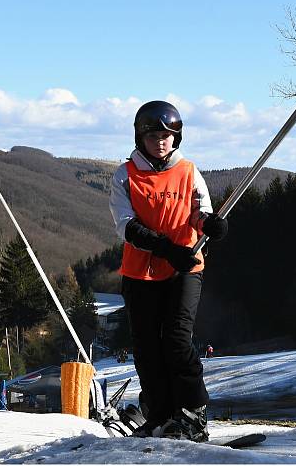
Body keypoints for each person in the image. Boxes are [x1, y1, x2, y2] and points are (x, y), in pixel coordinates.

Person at [109, 101, 229, 442]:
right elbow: (125, 226)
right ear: (140, 136)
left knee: (176, 341)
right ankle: (159, 413)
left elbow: (198, 211)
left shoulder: (189, 171)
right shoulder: (125, 175)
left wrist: (210, 224)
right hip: (141, 273)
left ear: (177, 137)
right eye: (154, 135)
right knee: (147, 347)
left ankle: (193, 412)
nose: (161, 142)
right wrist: (165, 249)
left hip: (185, 270)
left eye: (168, 135)